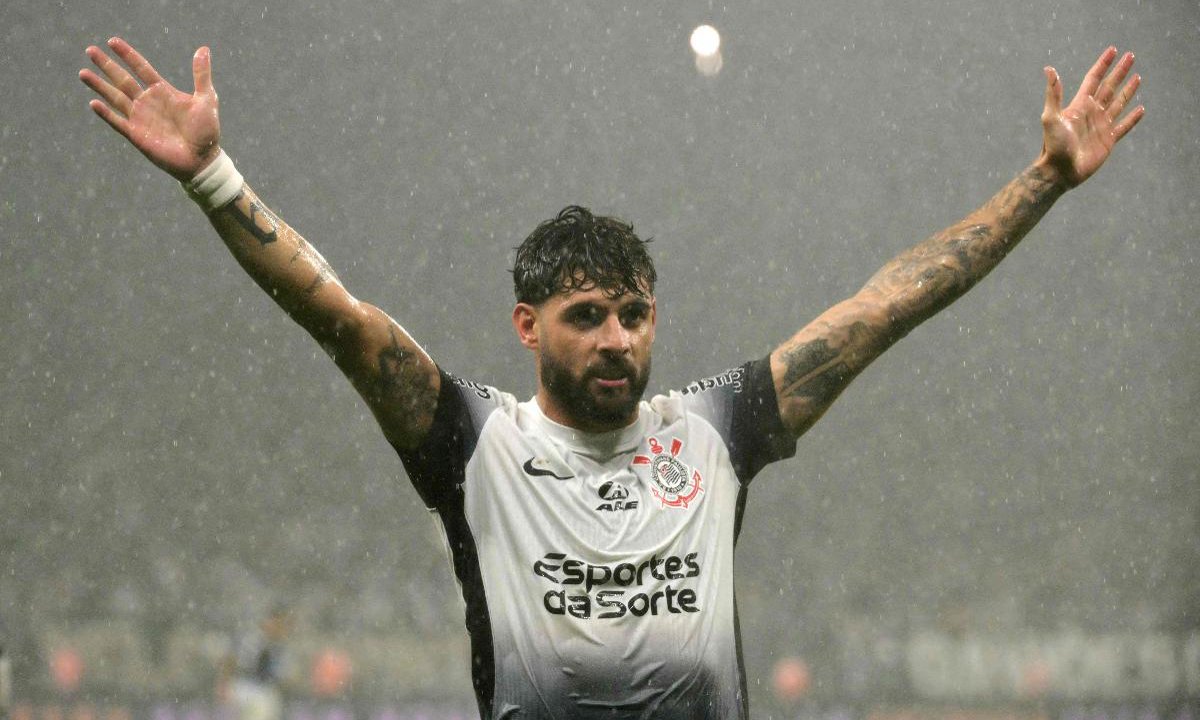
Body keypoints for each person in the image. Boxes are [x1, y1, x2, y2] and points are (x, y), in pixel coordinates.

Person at [79, 37, 1143, 719]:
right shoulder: (475, 440)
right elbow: (341, 321)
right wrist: (215, 179)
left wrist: (1043, 182)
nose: (618, 341)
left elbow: (886, 304)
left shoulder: (716, 424)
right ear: (527, 325)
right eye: (587, 317)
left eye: (635, 315)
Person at [216, 606, 295, 720]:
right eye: (276, 623)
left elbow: (286, 676)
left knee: (269, 705)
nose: (279, 628)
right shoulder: (252, 639)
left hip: (265, 689)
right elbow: (230, 659)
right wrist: (224, 683)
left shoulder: (281, 647)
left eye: (282, 625)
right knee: (259, 706)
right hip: (244, 685)